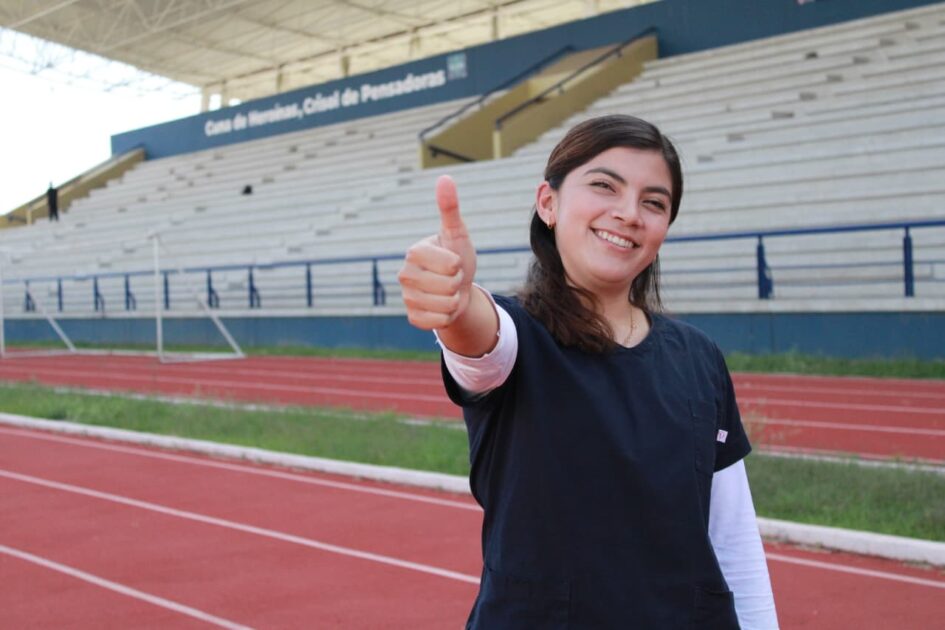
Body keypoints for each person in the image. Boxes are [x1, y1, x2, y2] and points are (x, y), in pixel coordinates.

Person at [398, 115, 778, 629]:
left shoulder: (698, 356)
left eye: (654, 202)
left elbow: (732, 538)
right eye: (604, 186)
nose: (628, 214)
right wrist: (457, 303)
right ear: (548, 203)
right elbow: (478, 340)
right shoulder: (517, 338)